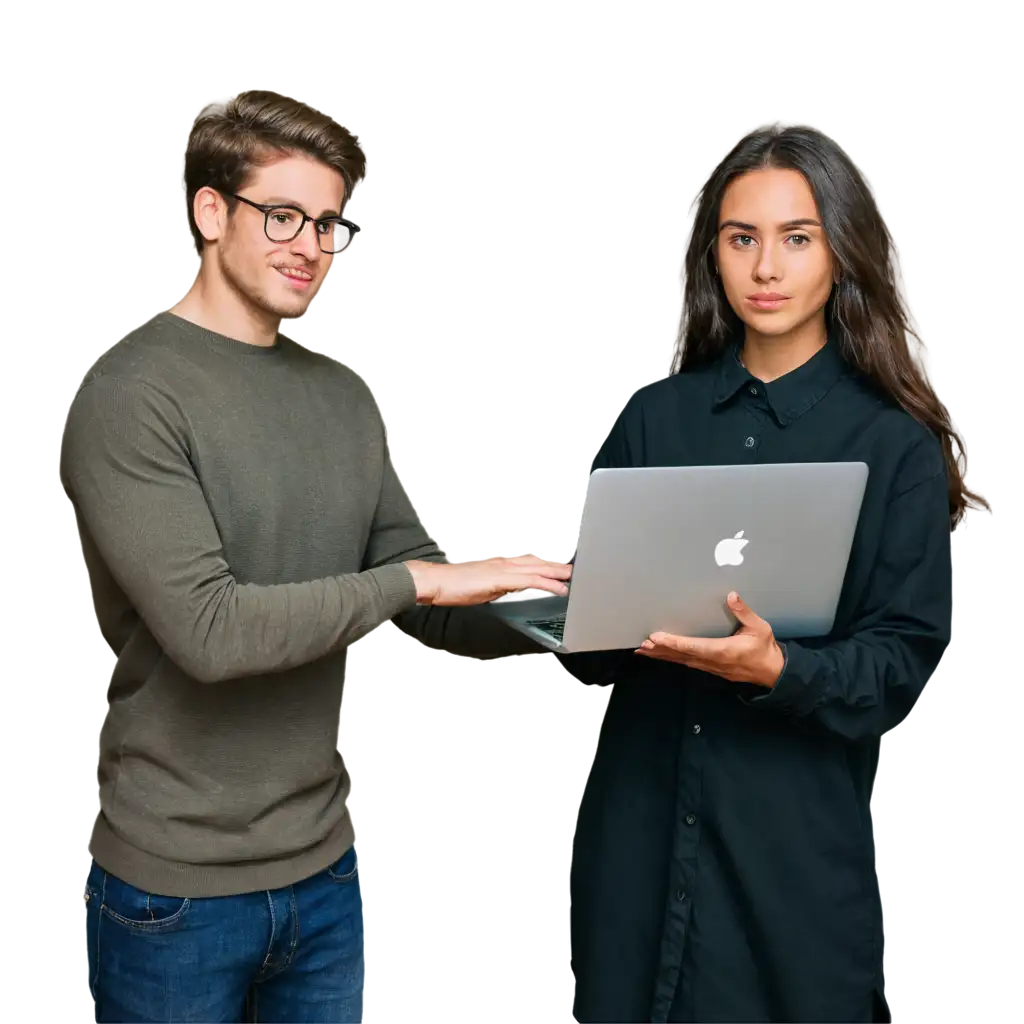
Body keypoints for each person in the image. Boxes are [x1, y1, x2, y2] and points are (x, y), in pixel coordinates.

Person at [59, 89, 571, 1024]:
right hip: (174, 896)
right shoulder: (131, 397)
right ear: (211, 212)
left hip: (323, 874)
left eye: (329, 224)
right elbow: (212, 634)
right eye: (284, 215)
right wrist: (421, 578)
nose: (310, 244)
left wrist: (588, 625)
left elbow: (420, 593)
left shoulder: (339, 395)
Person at [560, 128, 967, 1024]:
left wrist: (783, 673)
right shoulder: (652, 421)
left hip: (791, 870)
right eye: (741, 238)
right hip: (637, 842)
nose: (765, 267)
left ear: (841, 255)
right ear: (714, 254)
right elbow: (594, 656)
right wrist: (573, 605)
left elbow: (908, 669)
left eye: (797, 237)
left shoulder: (891, 448)